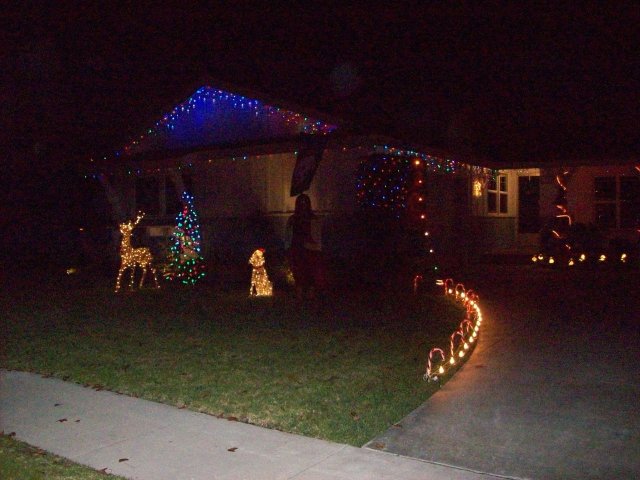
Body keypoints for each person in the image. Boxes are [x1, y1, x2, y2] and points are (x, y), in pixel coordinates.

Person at [285, 194, 326, 297]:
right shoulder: (293, 219)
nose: (303, 206)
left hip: (310, 249)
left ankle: (310, 293)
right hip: (296, 249)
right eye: (301, 203)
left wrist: (316, 247)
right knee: (298, 271)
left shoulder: (313, 219)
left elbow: (317, 236)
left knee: (310, 271)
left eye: (305, 203)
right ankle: (299, 292)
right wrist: (288, 248)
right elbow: (288, 235)